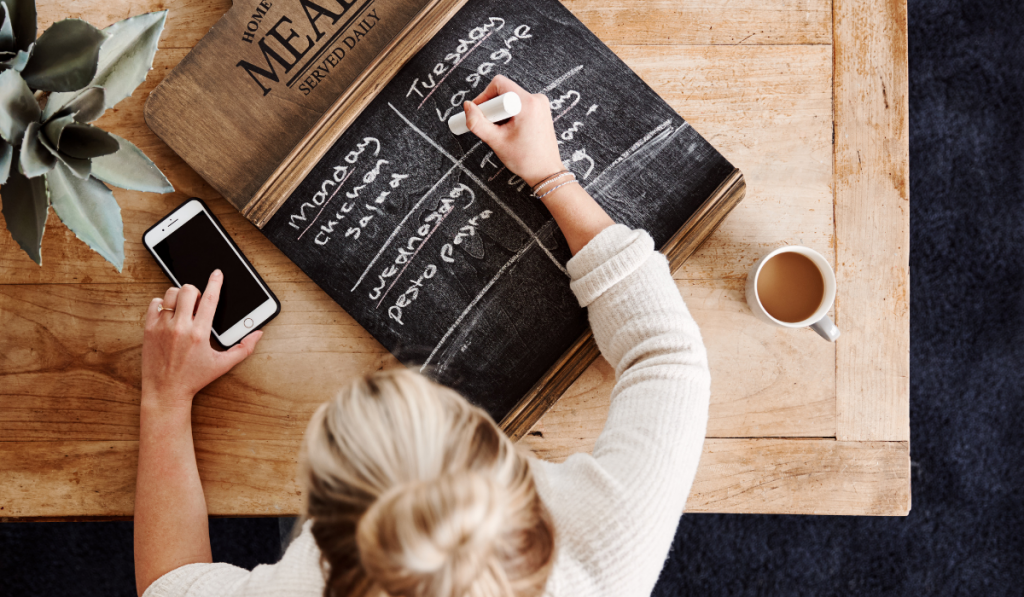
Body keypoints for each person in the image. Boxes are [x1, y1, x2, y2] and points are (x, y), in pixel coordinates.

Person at [135, 75, 710, 597]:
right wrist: (551, 175)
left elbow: (168, 584)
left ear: (324, 542)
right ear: (510, 481)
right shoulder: (605, 550)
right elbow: (666, 354)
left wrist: (165, 399)